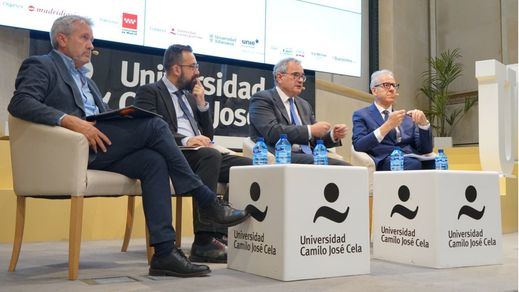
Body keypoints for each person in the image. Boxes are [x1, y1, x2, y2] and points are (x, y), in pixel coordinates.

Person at [8, 15, 250, 278]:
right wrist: (70, 122)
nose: (91, 45)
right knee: (156, 126)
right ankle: (206, 199)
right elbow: (21, 103)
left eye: (91, 39)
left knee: (152, 161)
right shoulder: (41, 65)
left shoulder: (86, 80)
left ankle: (164, 253)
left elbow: (100, 115)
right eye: (84, 38)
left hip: (98, 146)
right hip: (71, 151)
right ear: (62, 39)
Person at [134, 44, 252, 263]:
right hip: (174, 153)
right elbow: (150, 131)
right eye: (193, 66)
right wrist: (187, 140)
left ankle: (225, 233)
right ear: (177, 68)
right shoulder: (150, 92)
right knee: (210, 156)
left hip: (201, 151)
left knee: (247, 166)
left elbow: (207, 134)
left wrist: (201, 104)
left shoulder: (189, 97)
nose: (197, 72)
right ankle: (204, 240)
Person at [248, 57, 350, 165]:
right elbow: (272, 132)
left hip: (309, 156)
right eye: (295, 75)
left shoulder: (304, 105)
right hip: (283, 156)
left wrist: (333, 135)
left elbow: (313, 139)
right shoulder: (262, 99)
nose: (301, 80)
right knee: (346, 168)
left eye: (302, 76)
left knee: (346, 168)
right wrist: (310, 130)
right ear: (279, 77)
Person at [352, 69, 434, 170]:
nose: (392, 89)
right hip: (384, 161)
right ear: (374, 90)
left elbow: (426, 150)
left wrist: (423, 125)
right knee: (413, 164)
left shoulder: (406, 118)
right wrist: (388, 125)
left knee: (436, 163)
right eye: (386, 85)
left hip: (410, 158)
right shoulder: (362, 115)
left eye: (394, 85)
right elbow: (359, 145)